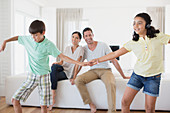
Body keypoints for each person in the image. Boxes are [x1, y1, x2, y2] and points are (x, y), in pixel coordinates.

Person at [0, 20, 87, 113]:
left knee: (43, 106)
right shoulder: (29, 39)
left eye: (36, 35)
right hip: (31, 76)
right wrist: (5, 41)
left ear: (43, 33)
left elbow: (63, 57)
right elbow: (18, 38)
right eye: (32, 35)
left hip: (44, 77)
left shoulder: (49, 45)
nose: (33, 37)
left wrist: (79, 63)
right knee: (15, 100)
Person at [89, 13, 170, 113]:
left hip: (153, 77)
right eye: (134, 23)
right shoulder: (133, 42)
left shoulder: (158, 37)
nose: (135, 26)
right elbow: (115, 53)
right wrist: (98, 60)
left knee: (149, 109)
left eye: (139, 23)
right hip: (137, 75)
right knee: (124, 102)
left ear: (147, 25)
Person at [75, 27, 129, 113]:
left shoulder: (103, 45)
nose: (88, 37)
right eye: (86, 36)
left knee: (111, 83)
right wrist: (74, 76)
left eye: (90, 35)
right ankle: (90, 104)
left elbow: (114, 60)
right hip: (93, 71)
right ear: (84, 38)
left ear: (93, 35)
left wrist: (123, 75)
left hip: (105, 70)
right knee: (78, 80)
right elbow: (80, 63)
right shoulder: (84, 49)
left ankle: (112, 111)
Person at [49, 31, 84, 110]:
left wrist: (74, 77)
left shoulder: (80, 49)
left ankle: (52, 97)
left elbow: (77, 64)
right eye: (73, 37)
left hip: (68, 73)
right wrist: (57, 63)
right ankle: (53, 96)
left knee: (53, 74)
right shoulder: (67, 48)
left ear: (79, 40)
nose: (74, 39)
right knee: (53, 67)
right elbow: (62, 61)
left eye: (76, 38)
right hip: (62, 67)